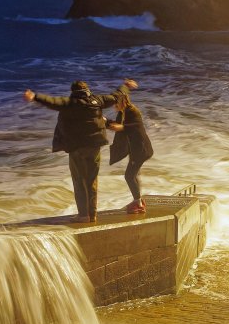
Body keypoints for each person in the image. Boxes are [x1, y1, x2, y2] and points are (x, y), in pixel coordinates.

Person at [23, 78, 137, 223]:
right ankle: (92, 215)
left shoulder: (69, 103)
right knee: (91, 181)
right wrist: (126, 86)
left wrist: (35, 97)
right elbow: (116, 96)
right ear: (87, 90)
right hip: (94, 146)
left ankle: (83, 215)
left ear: (73, 92)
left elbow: (52, 102)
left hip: (76, 148)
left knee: (79, 181)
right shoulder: (98, 100)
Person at [106, 90, 154, 214]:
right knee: (134, 175)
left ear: (122, 101)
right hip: (136, 149)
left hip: (141, 149)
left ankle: (138, 203)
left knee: (129, 176)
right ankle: (139, 201)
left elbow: (134, 126)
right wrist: (105, 121)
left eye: (115, 103)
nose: (114, 106)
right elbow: (117, 125)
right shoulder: (123, 112)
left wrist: (120, 127)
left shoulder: (132, 111)